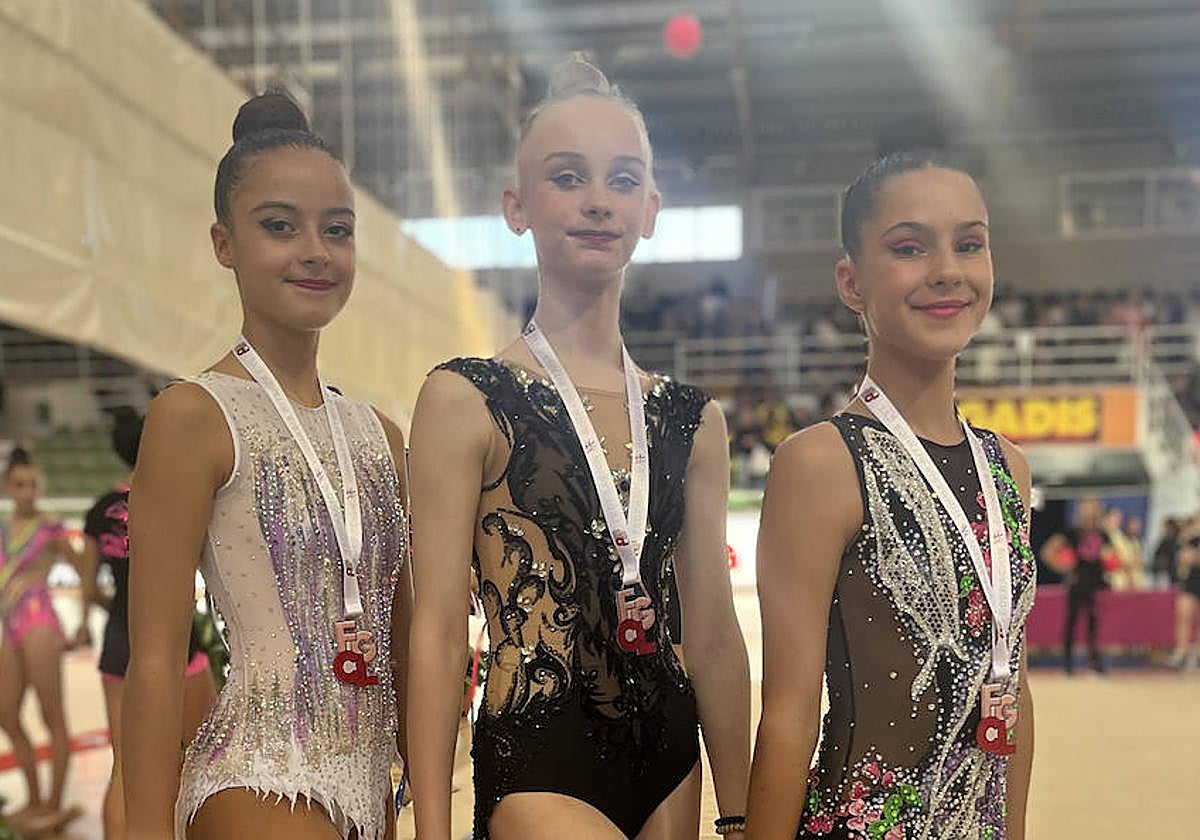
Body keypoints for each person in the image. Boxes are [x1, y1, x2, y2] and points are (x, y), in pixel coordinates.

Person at [407, 55, 751, 840]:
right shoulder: (464, 400)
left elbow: (713, 633)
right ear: (515, 206)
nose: (599, 202)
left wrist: (740, 814)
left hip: (671, 753)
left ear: (653, 208)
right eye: (568, 178)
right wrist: (431, 826)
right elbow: (435, 631)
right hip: (539, 753)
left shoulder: (692, 419)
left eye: (623, 180)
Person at [121, 92, 412, 840]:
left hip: (371, 791)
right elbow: (154, 660)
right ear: (225, 244)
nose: (314, 249)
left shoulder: (379, 433)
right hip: (258, 777)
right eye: (279, 226)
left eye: (337, 229)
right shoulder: (194, 415)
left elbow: (412, 637)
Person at [746, 154, 1036, 839]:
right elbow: (788, 713)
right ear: (851, 282)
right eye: (909, 248)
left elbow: (1014, 690)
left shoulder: (1009, 471)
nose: (946, 269)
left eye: (969, 243)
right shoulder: (819, 463)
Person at [78, 408, 217, 839]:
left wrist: (116, 610)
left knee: (124, 767)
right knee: (202, 756)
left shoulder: (100, 510)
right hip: (177, 642)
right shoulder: (171, 496)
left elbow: (88, 590)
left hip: (119, 640)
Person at [0, 447, 84, 836]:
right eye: (20, 485)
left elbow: (86, 567)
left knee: (53, 715)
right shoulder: (1, 529)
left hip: (39, 621)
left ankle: (53, 803)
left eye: (33, 484)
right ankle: (34, 799)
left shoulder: (50, 527)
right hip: (7, 623)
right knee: (7, 714)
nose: (28, 492)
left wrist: (83, 620)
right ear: (7, 487)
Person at [1043, 497, 1113, 674]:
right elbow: (1047, 551)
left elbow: (1110, 556)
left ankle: (1094, 661)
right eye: (1087, 506)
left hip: (1096, 583)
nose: (1090, 510)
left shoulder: (1102, 533)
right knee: (1072, 623)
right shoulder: (1072, 532)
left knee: (1094, 623)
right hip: (1077, 582)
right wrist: (1062, 566)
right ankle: (1067, 663)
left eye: (1094, 506)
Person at [1167, 521, 1200, 670]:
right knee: (1183, 615)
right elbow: (1183, 557)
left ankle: (1196, 655)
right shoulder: (1190, 538)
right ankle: (1181, 652)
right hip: (1191, 581)